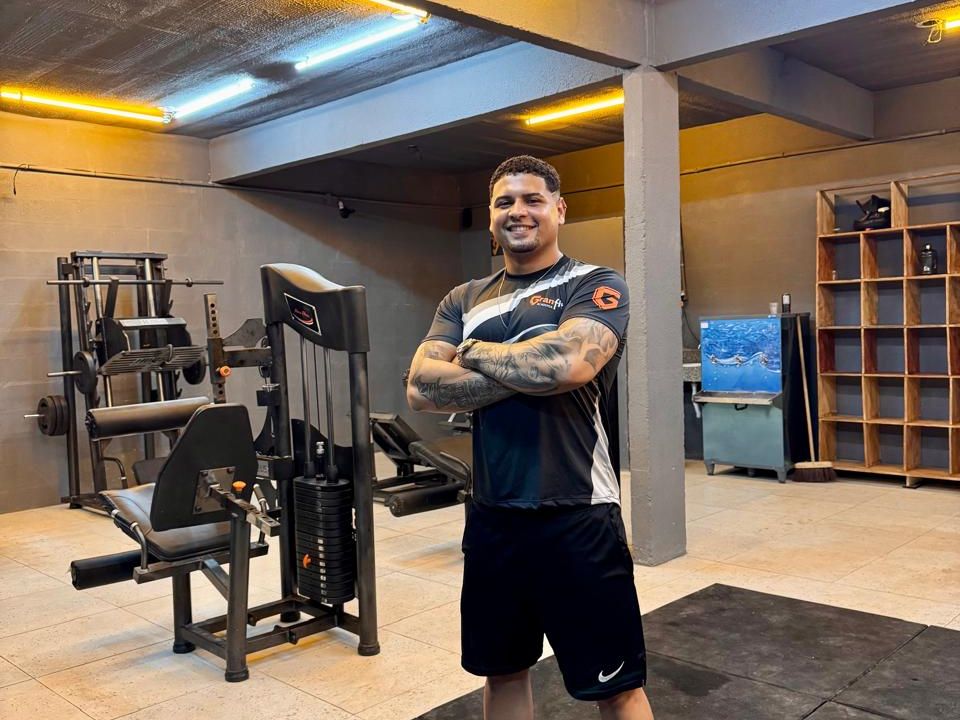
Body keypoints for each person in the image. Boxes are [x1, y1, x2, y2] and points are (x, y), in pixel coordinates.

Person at [407, 155, 652, 720]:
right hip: (493, 516)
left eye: (532, 199)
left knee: (615, 687)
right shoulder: (463, 297)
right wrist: (534, 369)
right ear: (492, 217)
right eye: (504, 202)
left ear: (559, 210)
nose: (518, 211)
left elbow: (571, 364)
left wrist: (473, 353)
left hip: (578, 512)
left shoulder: (594, 283)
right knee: (503, 671)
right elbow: (420, 388)